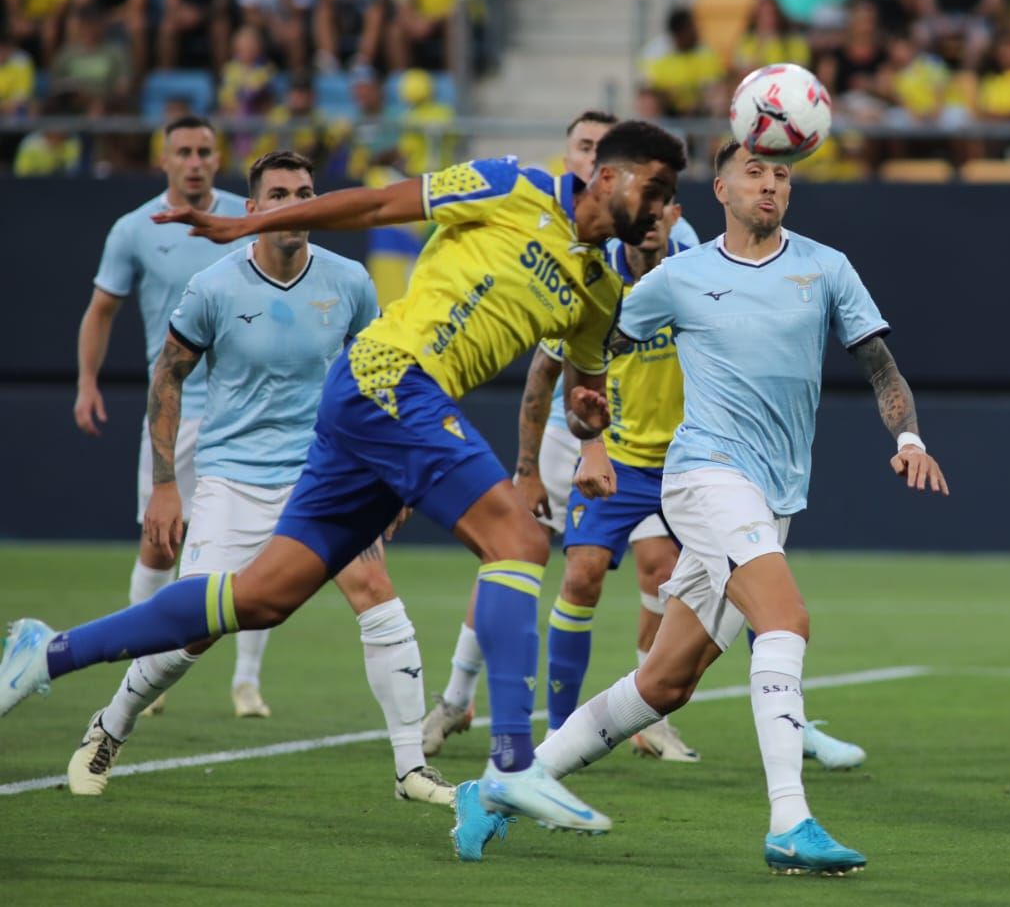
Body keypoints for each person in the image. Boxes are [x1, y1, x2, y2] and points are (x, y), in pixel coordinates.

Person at [1, 122, 687, 860]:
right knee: (517, 538)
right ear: (611, 179)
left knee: (261, 596)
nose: (661, 210)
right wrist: (251, 221)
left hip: (382, 411)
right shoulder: (509, 184)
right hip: (389, 376)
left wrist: (589, 428)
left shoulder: (599, 287)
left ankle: (48, 651)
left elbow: (584, 381)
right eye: (656, 189)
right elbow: (372, 207)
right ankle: (513, 761)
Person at [455, 142, 950, 874]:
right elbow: (591, 349)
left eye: (781, 174)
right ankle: (791, 820)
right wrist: (586, 440)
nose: (771, 184)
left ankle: (493, 788)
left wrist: (908, 435)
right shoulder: (679, 277)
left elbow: (879, 365)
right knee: (784, 619)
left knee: (665, 683)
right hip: (705, 476)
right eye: (755, 172)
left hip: (774, 492)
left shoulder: (826, 267)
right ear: (721, 188)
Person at [65, 150, 452, 807]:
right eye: (278, 194)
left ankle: (411, 767)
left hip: (323, 475)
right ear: (252, 210)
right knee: (196, 627)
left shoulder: (350, 281)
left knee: (376, 594)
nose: (293, 204)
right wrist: (165, 485)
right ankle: (111, 724)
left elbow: (377, 378)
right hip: (232, 479)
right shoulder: (214, 286)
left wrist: (392, 473)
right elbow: (168, 377)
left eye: (303, 192)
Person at [424, 109, 701, 758]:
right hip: (562, 433)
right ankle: (457, 697)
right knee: (516, 553)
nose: (585, 158)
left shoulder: (673, 248)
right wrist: (528, 466)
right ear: (581, 162)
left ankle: (642, 711)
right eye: (578, 146)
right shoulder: (573, 248)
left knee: (656, 567)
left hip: (628, 439)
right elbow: (545, 371)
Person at [74, 116, 248, 714]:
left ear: (218, 157)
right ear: (165, 159)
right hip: (173, 414)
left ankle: (247, 682)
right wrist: (87, 381)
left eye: (205, 151)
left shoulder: (245, 220)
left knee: (258, 555)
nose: (195, 161)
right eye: (184, 152)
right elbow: (101, 310)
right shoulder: (134, 229)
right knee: (159, 547)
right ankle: (139, 671)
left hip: (243, 414)